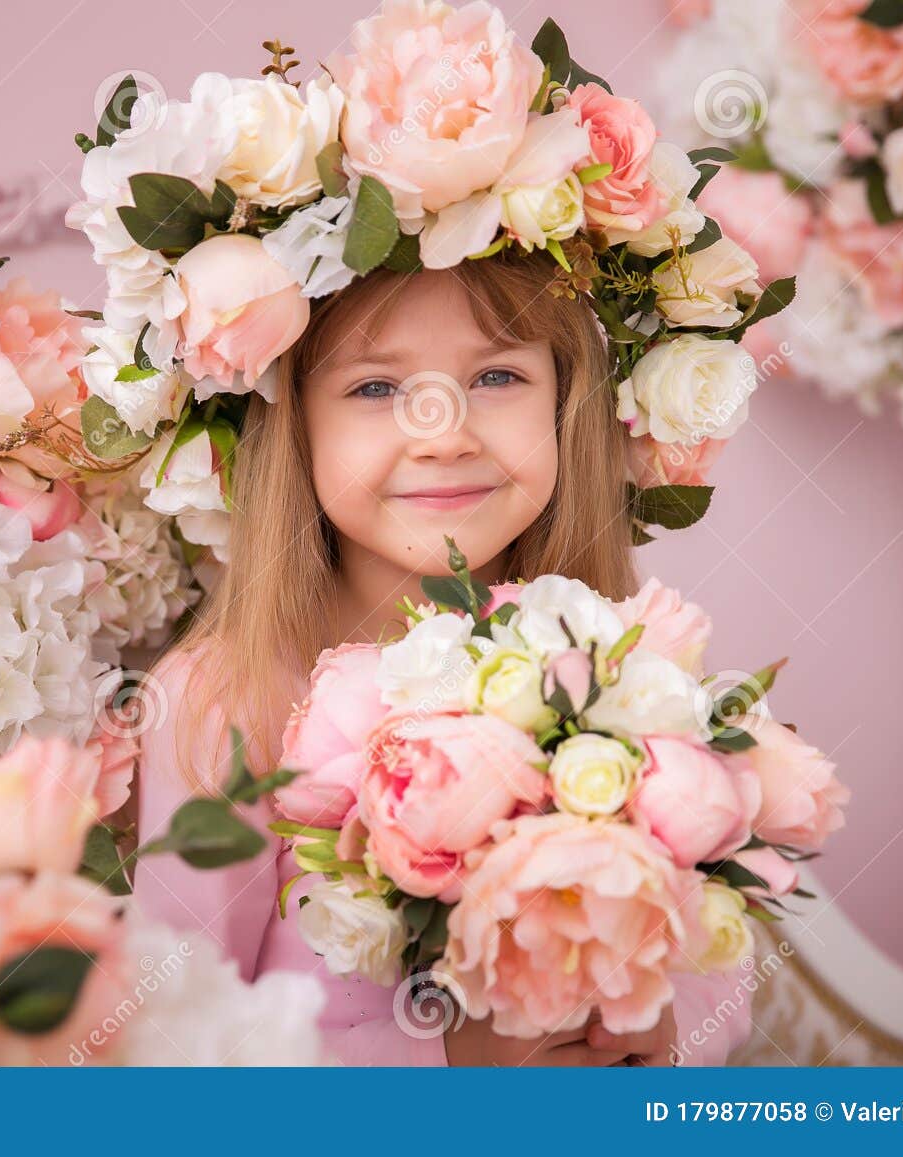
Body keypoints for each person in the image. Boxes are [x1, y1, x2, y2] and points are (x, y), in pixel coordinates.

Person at [131, 249, 755, 1065]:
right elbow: (171, 1048)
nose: (445, 433)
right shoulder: (225, 702)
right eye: (375, 388)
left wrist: (657, 1029)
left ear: (567, 401)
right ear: (297, 424)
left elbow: (718, 957)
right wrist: (444, 1061)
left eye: (497, 377)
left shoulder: (622, 669)